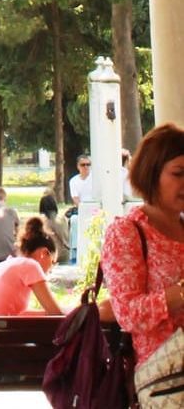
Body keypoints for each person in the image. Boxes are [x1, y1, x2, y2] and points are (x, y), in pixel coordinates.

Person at [101, 123, 184, 407]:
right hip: (166, 379)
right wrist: (178, 294)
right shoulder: (128, 233)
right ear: (151, 173)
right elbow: (127, 313)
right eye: (178, 173)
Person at [0, 216, 65, 317]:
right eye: (53, 262)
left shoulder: (6, 265)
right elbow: (56, 314)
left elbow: (19, 314)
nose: (51, 270)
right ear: (44, 253)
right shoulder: (31, 266)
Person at [39, 189, 71, 264]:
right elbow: (65, 236)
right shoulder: (62, 218)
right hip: (64, 253)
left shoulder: (42, 220)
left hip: (49, 255)